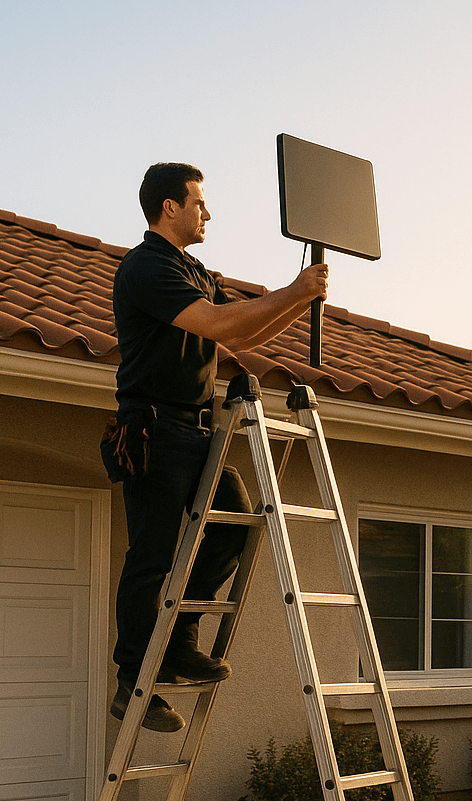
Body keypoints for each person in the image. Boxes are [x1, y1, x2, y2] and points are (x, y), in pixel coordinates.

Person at [103, 162, 327, 731]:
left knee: (234, 526)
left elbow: (244, 333)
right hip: (154, 429)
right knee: (151, 557)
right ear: (169, 207)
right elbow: (217, 324)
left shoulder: (193, 269)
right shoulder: (146, 267)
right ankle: (133, 681)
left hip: (198, 431)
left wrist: (299, 301)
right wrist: (293, 290)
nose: (208, 212)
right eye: (199, 202)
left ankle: (178, 640)